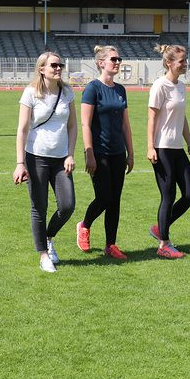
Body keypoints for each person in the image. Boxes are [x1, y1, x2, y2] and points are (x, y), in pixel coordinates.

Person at [13, 51, 77, 273]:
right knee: (39, 207)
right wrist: (20, 163)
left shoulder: (67, 92)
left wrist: (70, 154)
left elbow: (72, 126)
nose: (58, 68)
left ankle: (49, 238)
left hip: (61, 160)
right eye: (54, 65)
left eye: (60, 65)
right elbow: (21, 129)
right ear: (42, 69)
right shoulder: (31, 93)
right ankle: (43, 255)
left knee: (67, 205)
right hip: (36, 157)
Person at [76, 46, 133, 260]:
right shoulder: (92, 88)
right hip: (99, 153)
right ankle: (84, 225)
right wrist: (88, 153)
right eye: (113, 59)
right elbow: (85, 124)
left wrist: (131, 153)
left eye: (119, 59)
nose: (117, 62)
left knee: (115, 200)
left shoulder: (121, 90)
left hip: (118, 153)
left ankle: (111, 244)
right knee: (104, 197)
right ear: (101, 63)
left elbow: (126, 125)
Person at [146, 44, 190, 259]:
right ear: (169, 63)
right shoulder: (160, 85)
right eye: (181, 61)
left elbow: (182, 117)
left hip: (177, 148)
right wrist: (150, 146)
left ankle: (161, 227)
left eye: (185, 60)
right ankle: (164, 244)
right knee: (168, 196)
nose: (185, 64)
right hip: (162, 148)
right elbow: (151, 117)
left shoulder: (181, 86)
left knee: (189, 195)